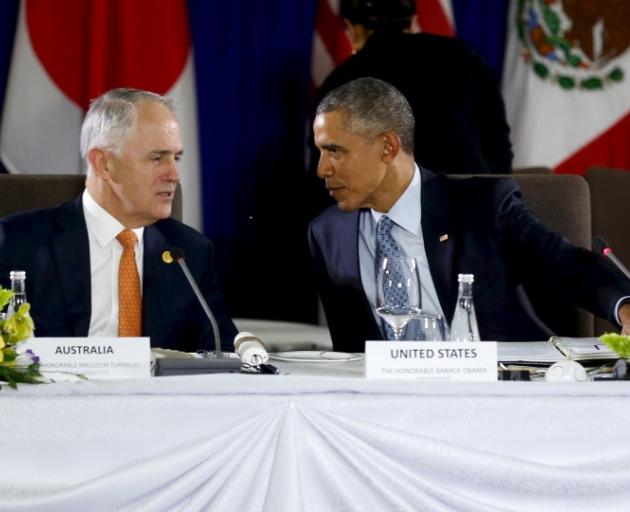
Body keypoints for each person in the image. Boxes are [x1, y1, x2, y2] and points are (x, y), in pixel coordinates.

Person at [308, 77, 630, 353]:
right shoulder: (327, 233)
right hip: (392, 407)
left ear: (388, 147)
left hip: (501, 392)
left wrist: (623, 304)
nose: (322, 168)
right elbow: (350, 352)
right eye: (320, 151)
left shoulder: (481, 205)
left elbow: (561, 261)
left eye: (335, 151)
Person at [0, 88, 237, 352]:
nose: (174, 174)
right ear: (104, 164)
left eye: (176, 157)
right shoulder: (18, 243)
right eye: (157, 158)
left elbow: (222, 352)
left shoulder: (191, 252)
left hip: (160, 394)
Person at [313, 0, 513, 176]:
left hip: (384, 212)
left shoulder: (342, 79)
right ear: (412, 20)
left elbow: (326, 170)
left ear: (353, 28)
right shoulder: (466, 57)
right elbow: (499, 149)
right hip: (471, 207)